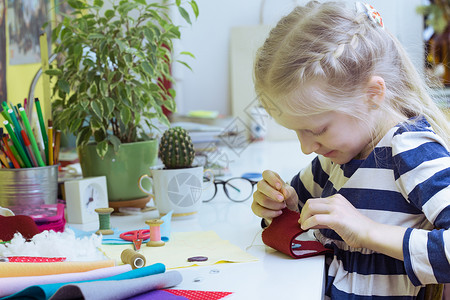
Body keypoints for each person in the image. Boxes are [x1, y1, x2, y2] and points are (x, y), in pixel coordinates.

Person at [251, 1, 450, 299]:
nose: (306, 148)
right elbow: (297, 219)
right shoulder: (336, 157)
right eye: (296, 131)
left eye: (317, 130)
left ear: (372, 94)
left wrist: (367, 231)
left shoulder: (411, 152)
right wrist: (280, 207)